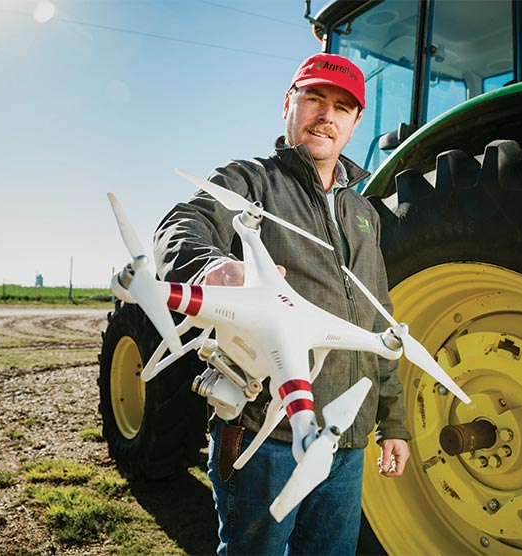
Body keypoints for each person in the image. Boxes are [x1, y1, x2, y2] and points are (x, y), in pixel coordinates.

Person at [154, 53, 410, 555]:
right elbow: (181, 225)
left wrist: (393, 422)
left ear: (356, 122)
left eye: (342, 107)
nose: (326, 116)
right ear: (288, 104)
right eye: (314, 98)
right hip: (264, 439)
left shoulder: (364, 213)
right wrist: (213, 269)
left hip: (346, 441)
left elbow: (378, 319)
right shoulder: (249, 182)